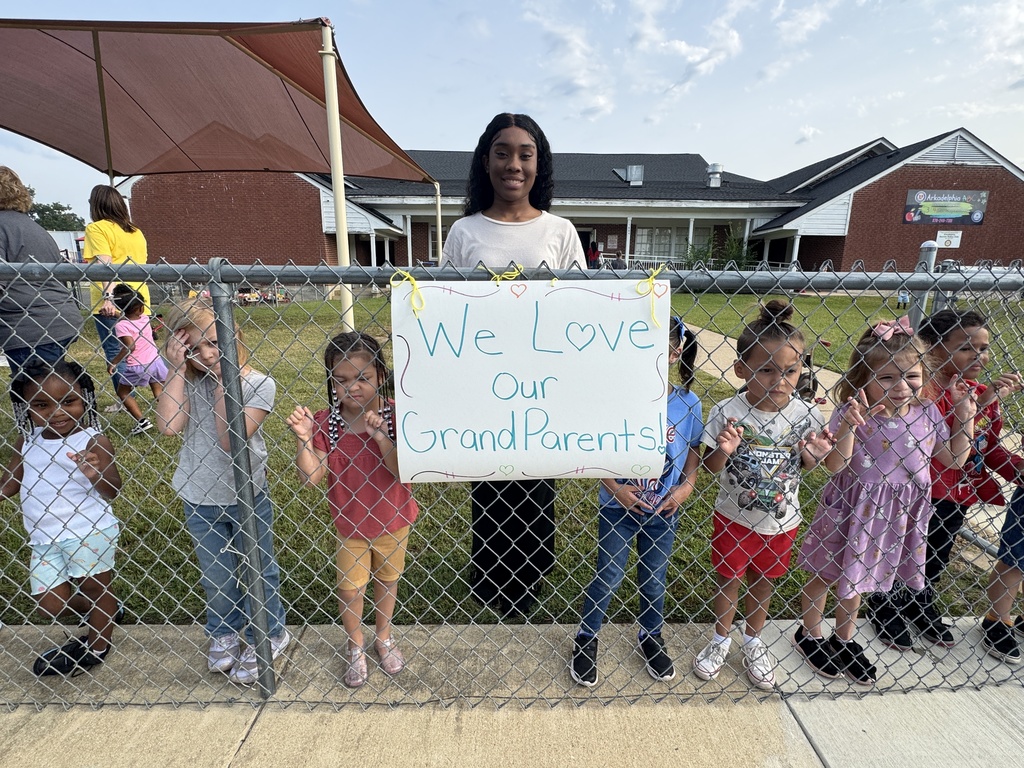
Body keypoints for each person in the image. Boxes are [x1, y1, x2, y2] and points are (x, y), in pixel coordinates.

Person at [441, 112, 585, 616]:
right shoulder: (464, 231)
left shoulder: (560, 230)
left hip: (545, 375)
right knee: (491, 472)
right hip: (485, 376)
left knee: (537, 475)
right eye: (503, 152)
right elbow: (446, 304)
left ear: (539, 163)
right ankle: (490, 574)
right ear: (486, 160)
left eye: (525, 153)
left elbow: (581, 305)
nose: (514, 164)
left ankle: (532, 574)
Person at [796, 318, 975, 685]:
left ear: (924, 375)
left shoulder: (927, 414)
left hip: (892, 517)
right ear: (864, 380)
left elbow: (955, 460)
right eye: (887, 378)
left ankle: (844, 640)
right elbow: (836, 465)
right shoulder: (854, 413)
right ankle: (810, 633)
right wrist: (849, 425)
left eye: (911, 376)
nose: (901, 386)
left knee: (861, 581)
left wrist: (965, 419)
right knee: (824, 575)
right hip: (850, 508)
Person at [693, 301, 833, 691]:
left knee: (764, 581)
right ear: (741, 369)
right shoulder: (727, 409)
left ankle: (753, 640)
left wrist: (814, 456)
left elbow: (803, 464)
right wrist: (725, 448)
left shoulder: (806, 414)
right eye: (766, 370)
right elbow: (711, 467)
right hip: (734, 516)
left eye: (790, 371)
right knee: (728, 579)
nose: (780, 380)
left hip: (782, 520)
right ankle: (721, 639)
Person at [867, 309, 1024, 650]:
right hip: (926, 490)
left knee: (936, 555)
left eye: (984, 348)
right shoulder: (922, 391)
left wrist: (1018, 470)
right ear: (935, 347)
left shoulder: (980, 391)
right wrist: (980, 403)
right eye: (967, 347)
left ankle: (919, 598)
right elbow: (940, 439)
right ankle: (885, 603)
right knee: (903, 549)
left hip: (960, 492)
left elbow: (989, 449)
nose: (979, 356)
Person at [155, 298, 289, 686]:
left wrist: (223, 379)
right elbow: (167, 425)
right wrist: (178, 369)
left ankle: (268, 633)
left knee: (259, 569)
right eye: (194, 348)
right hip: (198, 496)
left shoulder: (259, 384)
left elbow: (230, 437)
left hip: (246, 495)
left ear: (234, 337)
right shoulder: (187, 380)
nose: (208, 354)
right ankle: (224, 630)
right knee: (217, 575)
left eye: (215, 343)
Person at [570, 318, 702, 687]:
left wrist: (686, 487)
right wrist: (615, 488)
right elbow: (594, 451)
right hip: (619, 509)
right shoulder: (617, 398)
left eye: (664, 347)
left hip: (664, 510)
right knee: (608, 575)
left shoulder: (688, 403)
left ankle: (650, 635)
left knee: (653, 581)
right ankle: (587, 636)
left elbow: (693, 452)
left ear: (677, 352)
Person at [287, 332, 418, 688]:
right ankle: (355, 644)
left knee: (388, 581)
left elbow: (398, 470)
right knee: (350, 590)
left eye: (363, 378)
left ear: (381, 376)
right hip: (351, 526)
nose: (353, 388)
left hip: (394, 519)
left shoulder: (395, 415)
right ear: (331, 382)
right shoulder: (327, 422)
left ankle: (384, 636)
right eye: (342, 381)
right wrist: (304, 438)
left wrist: (380, 437)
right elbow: (311, 476)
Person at [0, 360, 122, 676]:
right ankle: (105, 611)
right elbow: (10, 483)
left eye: (68, 401)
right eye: (41, 404)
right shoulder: (27, 441)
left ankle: (97, 645)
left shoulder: (93, 440)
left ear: (85, 399)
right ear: (24, 407)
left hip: (89, 532)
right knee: (48, 604)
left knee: (96, 588)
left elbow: (112, 489)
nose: (56, 412)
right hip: (44, 538)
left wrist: (95, 472)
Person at [0, 166, 83, 379]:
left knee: (34, 397)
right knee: (49, 390)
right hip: (58, 316)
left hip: (30, 325)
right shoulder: (33, 226)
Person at [82, 185, 150, 412]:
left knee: (116, 352)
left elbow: (104, 263)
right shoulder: (135, 231)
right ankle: (158, 393)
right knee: (143, 349)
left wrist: (108, 299)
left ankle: (125, 401)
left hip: (114, 301)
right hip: (139, 300)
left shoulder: (96, 228)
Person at [107, 284, 167, 436]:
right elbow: (130, 318)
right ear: (140, 308)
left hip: (138, 366)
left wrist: (114, 362)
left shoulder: (122, 325)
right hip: (155, 362)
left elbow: (130, 347)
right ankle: (170, 417)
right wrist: (116, 314)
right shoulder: (145, 319)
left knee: (123, 392)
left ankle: (142, 421)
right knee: (158, 390)